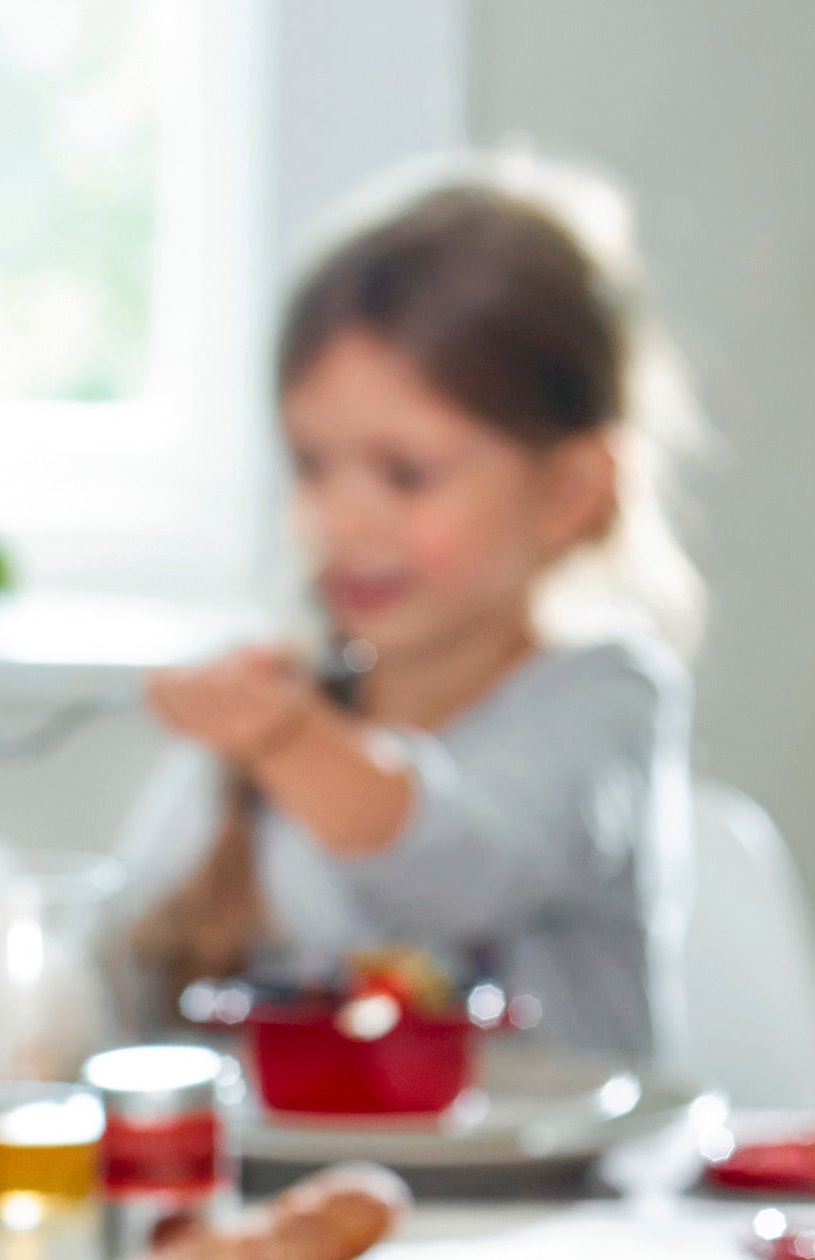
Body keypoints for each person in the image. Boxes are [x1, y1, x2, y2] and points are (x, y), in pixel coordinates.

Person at [119, 157, 704, 1062]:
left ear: (571, 492)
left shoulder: (605, 702)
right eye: (310, 465)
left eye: (406, 474)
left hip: (564, 1203)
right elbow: (125, 963)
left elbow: (459, 867)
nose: (341, 519)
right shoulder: (276, 705)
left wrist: (289, 744)